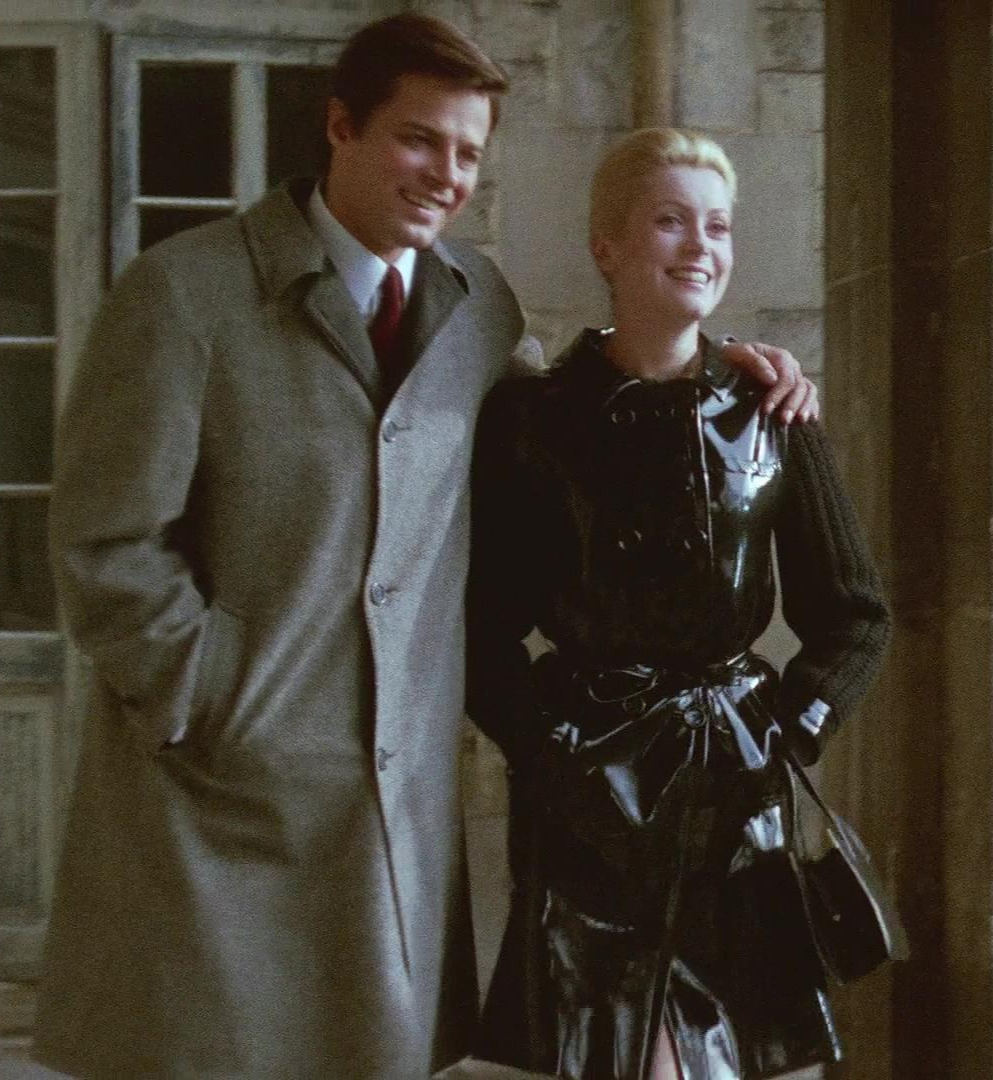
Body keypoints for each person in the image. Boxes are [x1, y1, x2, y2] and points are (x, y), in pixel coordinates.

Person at [34, 13, 817, 1078]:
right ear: (340, 127)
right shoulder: (186, 296)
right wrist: (205, 692)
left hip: (387, 805)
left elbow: (582, 411)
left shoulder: (473, 304)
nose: (446, 174)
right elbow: (105, 542)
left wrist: (724, 370)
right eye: (417, 139)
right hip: (216, 789)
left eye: (467, 152)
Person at [466, 128, 890, 1079]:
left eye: (717, 226)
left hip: (736, 784)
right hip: (591, 799)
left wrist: (787, 731)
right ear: (606, 246)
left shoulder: (772, 412)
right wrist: (549, 751)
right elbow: (480, 630)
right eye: (669, 221)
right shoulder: (534, 421)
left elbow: (856, 613)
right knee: (622, 1056)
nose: (699, 245)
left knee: (752, 1059)